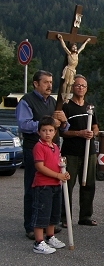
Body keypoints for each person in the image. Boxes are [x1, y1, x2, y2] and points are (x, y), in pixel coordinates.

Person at [16, 70, 69, 240]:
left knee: (51, 188)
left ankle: (48, 224)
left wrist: (64, 120)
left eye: (51, 82)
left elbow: (62, 128)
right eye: (45, 82)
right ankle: (32, 226)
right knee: (34, 186)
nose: (49, 85)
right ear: (36, 84)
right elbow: (24, 124)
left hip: (53, 149)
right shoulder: (27, 101)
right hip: (35, 148)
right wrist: (46, 124)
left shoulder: (54, 102)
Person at [60, 75, 100, 228]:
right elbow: (62, 132)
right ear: (72, 88)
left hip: (88, 152)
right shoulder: (66, 107)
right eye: (77, 85)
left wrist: (93, 133)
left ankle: (85, 216)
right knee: (67, 185)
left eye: (83, 86)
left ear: (86, 88)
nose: (80, 88)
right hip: (70, 152)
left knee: (89, 184)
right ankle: (64, 218)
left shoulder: (90, 107)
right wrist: (79, 133)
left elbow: (95, 126)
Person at [31, 116, 70, 254]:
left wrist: (63, 173)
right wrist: (57, 175)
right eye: (44, 130)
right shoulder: (39, 147)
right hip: (43, 186)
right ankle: (38, 242)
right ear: (39, 132)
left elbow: (58, 164)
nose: (47, 133)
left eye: (50, 130)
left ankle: (50, 236)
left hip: (55, 185)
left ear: (55, 132)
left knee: (53, 213)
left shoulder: (55, 147)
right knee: (42, 212)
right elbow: (40, 167)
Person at [57, 34, 91, 99]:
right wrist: (61, 39)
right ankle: (63, 94)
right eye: (73, 47)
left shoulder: (77, 53)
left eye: (75, 47)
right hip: (69, 69)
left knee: (70, 84)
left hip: (73, 70)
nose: (75, 48)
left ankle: (67, 96)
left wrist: (86, 42)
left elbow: (82, 48)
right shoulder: (69, 54)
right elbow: (64, 47)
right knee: (66, 82)